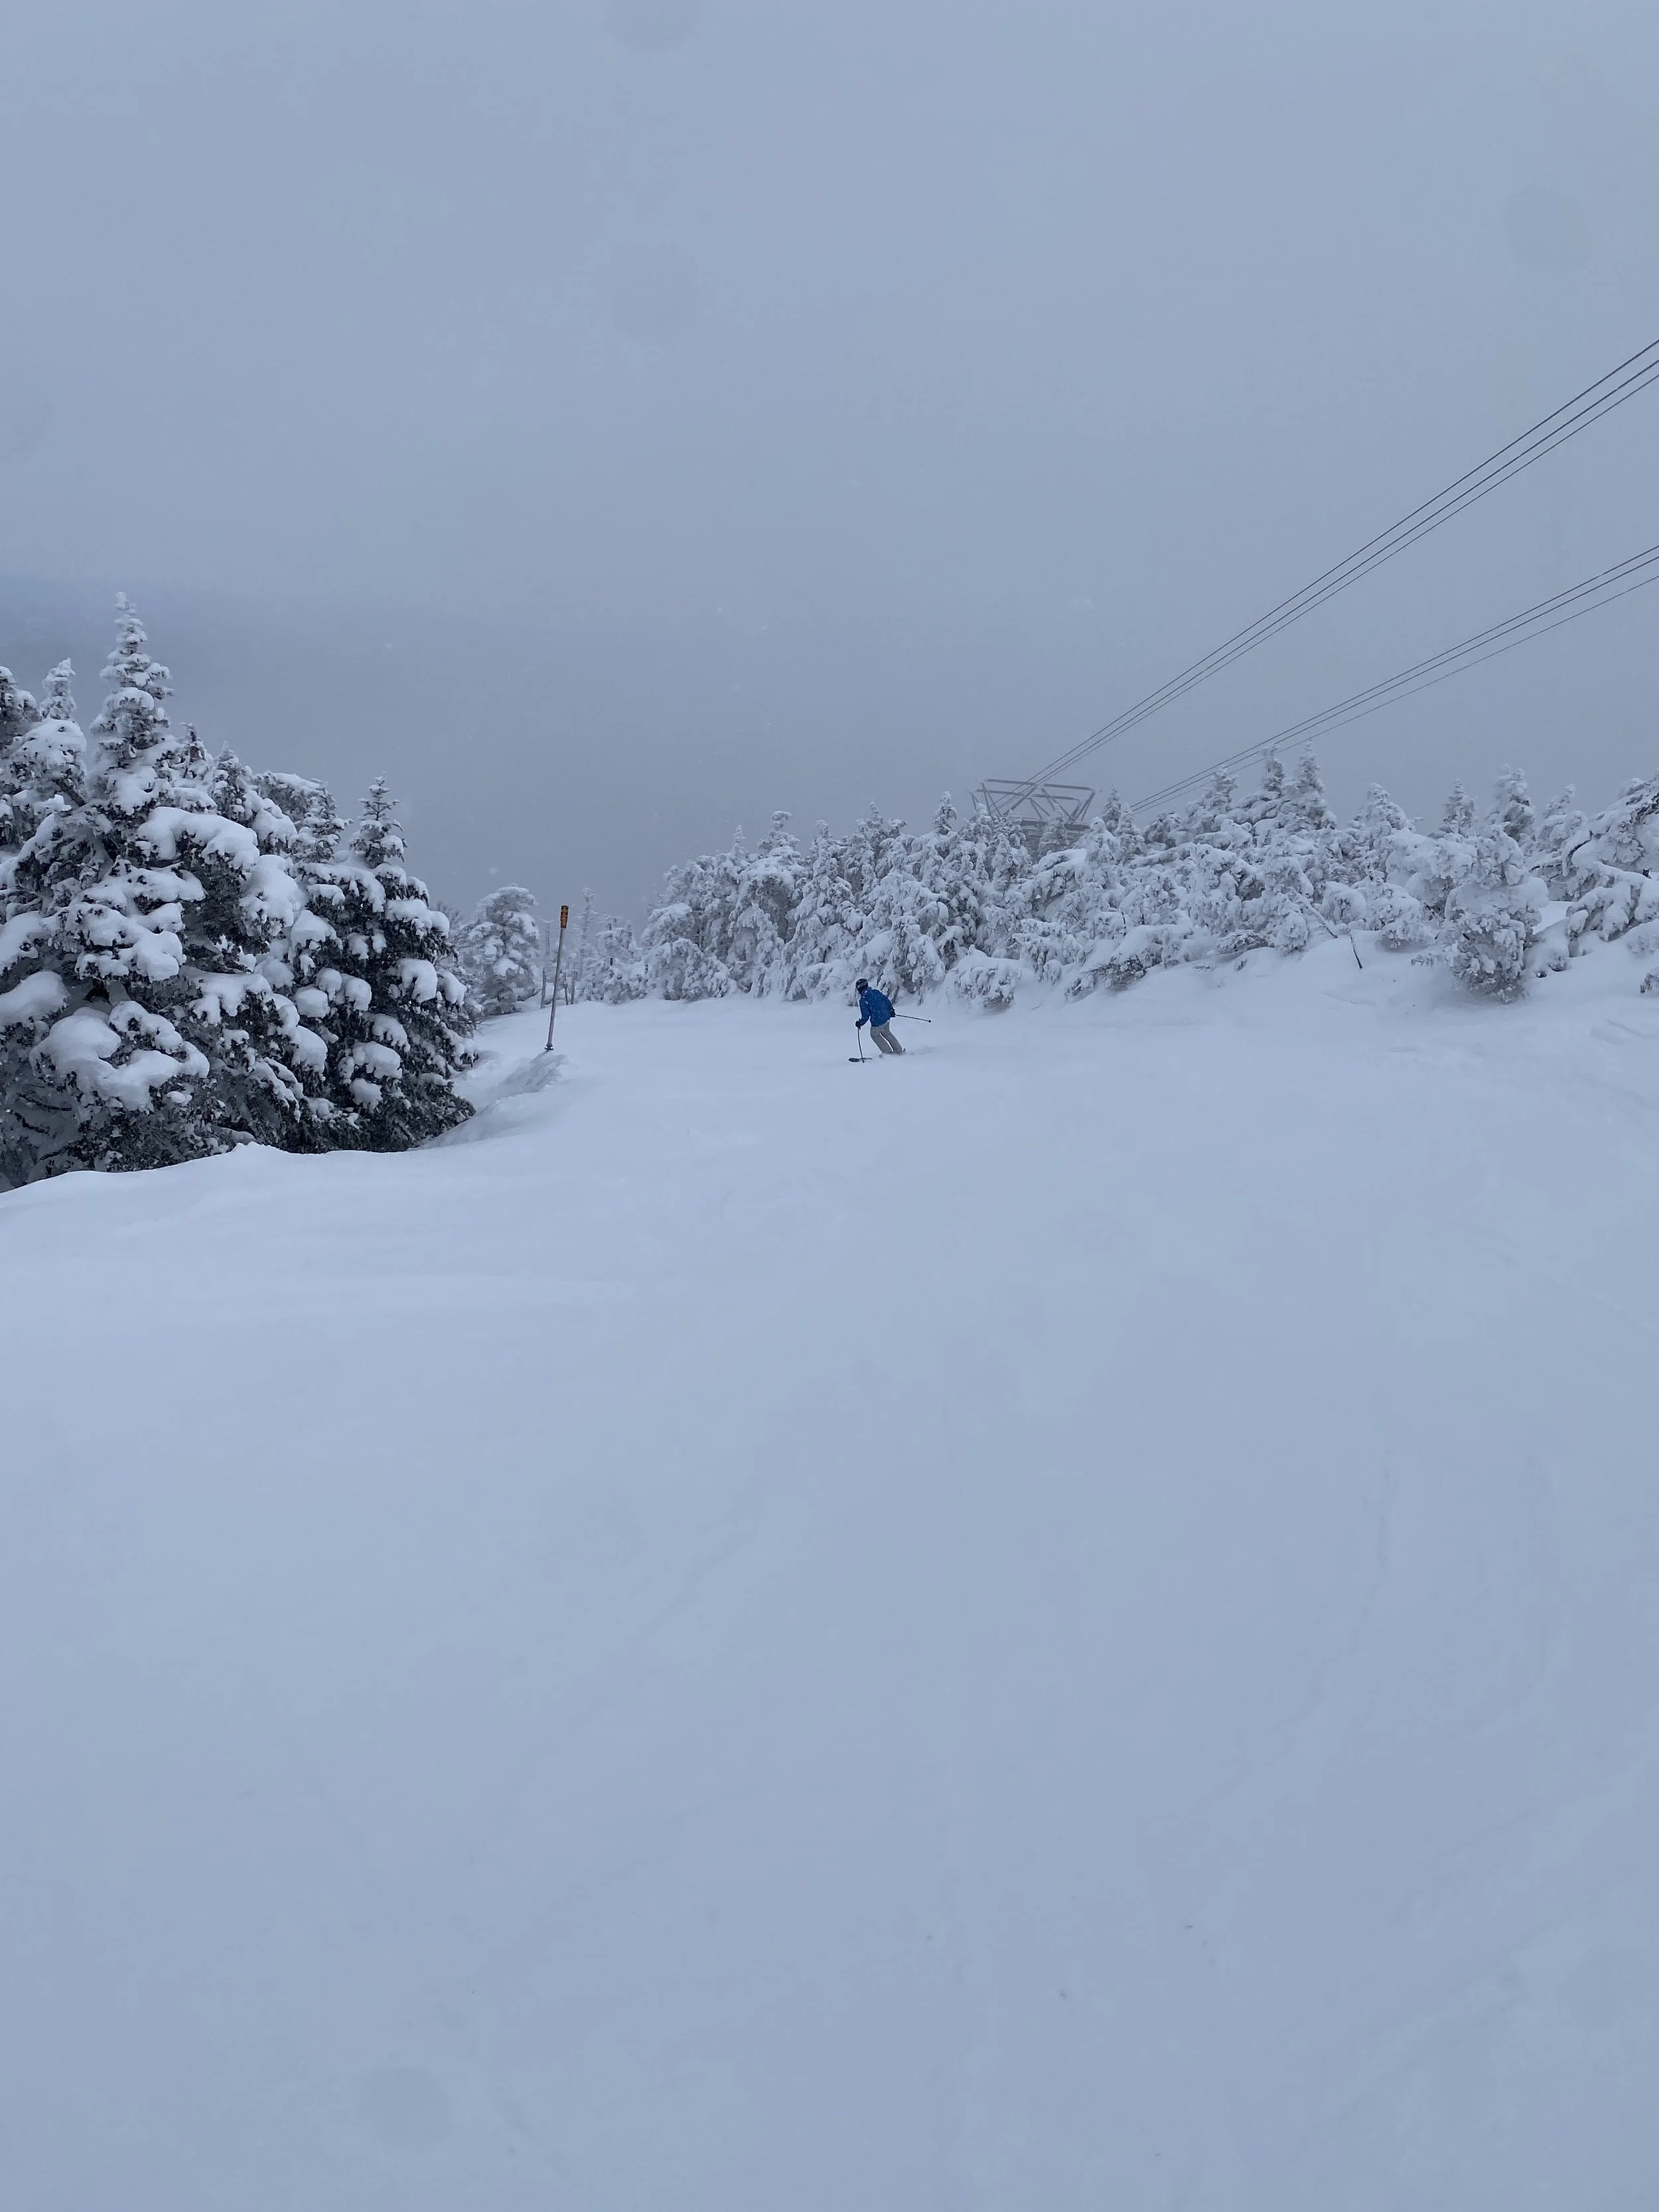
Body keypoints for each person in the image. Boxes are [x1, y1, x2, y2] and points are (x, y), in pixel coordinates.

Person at [855, 978, 904, 1054]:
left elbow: (866, 1016)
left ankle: (887, 1052)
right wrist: (891, 1010)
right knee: (887, 1033)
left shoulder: (863, 1000)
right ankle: (898, 1049)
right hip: (886, 1018)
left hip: (877, 1021)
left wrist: (860, 1023)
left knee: (874, 1035)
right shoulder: (876, 992)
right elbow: (886, 1001)